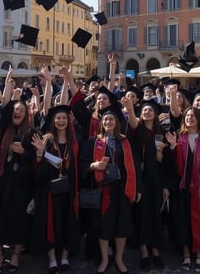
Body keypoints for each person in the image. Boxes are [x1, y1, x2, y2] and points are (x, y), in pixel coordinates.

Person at [0, 72, 40, 274]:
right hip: (2, 180)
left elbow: (37, 159)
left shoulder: (32, 132)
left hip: (22, 184)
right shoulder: (3, 129)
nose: (17, 112)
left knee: (20, 219)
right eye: (15, 110)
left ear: (26, 114)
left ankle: (16, 254)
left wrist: (24, 153)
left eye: (21, 110)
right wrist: (8, 85)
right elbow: (4, 108)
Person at [79, 107, 140, 274]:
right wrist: (93, 165)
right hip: (104, 190)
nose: (108, 122)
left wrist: (138, 189)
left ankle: (119, 258)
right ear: (101, 123)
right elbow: (83, 163)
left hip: (123, 189)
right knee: (104, 225)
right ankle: (105, 259)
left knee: (122, 225)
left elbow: (135, 166)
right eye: (105, 119)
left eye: (111, 119)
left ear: (117, 123)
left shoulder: (125, 142)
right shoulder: (93, 142)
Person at [165, 107, 200, 272]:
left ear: (199, 119)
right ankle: (186, 253)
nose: (189, 118)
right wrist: (172, 147)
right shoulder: (179, 136)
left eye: (193, 116)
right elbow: (170, 165)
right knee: (182, 219)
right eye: (187, 115)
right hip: (182, 186)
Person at [31, 104, 82, 274]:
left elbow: (81, 164)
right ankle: (52, 257)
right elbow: (36, 170)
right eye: (58, 118)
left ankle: (65, 255)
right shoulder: (46, 140)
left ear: (69, 120)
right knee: (50, 223)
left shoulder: (76, 140)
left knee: (69, 221)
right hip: (50, 190)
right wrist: (39, 153)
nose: (61, 121)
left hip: (70, 189)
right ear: (53, 121)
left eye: (64, 118)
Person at [130, 100, 167, 271]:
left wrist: (162, 156)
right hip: (142, 178)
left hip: (157, 180)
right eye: (144, 110)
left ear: (155, 113)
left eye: (150, 110)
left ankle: (156, 251)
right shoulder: (138, 131)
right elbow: (132, 122)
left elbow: (169, 162)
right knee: (142, 216)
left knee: (156, 216)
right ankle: (144, 252)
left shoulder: (162, 132)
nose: (147, 112)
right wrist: (130, 109)